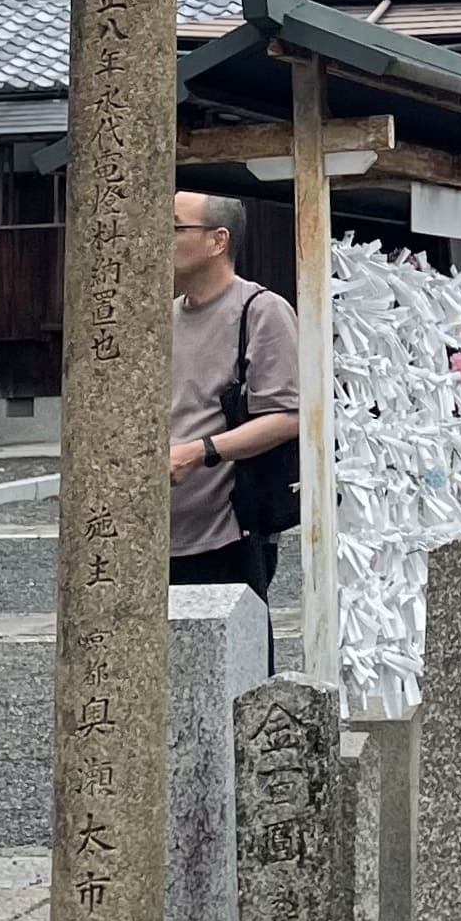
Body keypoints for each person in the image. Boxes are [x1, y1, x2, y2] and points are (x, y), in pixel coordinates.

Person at [169, 191, 300, 631]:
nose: (159, 238)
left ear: (217, 240)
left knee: (233, 680)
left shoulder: (261, 311)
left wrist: (199, 451)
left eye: (174, 227)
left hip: (229, 531)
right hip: (157, 533)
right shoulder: (161, 317)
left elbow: (288, 415)